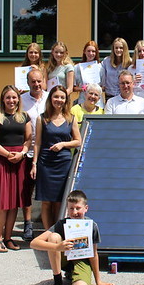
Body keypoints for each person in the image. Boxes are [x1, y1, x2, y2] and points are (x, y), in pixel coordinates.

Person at [30, 190, 116, 285]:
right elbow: (34, 243)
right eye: (71, 208)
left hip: (81, 260)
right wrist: (57, 247)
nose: (74, 212)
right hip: (64, 258)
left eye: (78, 208)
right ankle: (57, 284)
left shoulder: (92, 226)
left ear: (86, 208)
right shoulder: (62, 224)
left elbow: (94, 254)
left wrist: (98, 280)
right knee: (54, 237)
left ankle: (74, 275)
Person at [0, 85, 32, 253]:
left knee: (14, 204)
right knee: (1, 203)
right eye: (8, 98)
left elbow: (28, 139)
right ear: (3, 99)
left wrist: (23, 153)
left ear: (18, 99)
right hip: (1, 160)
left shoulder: (24, 117)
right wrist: (7, 154)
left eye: (14, 97)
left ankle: (8, 237)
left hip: (19, 161)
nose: (11, 101)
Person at [32, 85, 81, 232]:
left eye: (62, 97)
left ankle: (58, 233)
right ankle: (48, 233)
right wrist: (34, 163)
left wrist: (63, 144)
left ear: (66, 100)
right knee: (46, 202)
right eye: (56, 97)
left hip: (63, 164)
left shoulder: (70, 118)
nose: (59, 100)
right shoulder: (42, 118)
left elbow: (78, 140)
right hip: (46, 163)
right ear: (50, 99)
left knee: (60, 201)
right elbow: (38, 142)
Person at [20, 68, 46, 240]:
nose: (36, 84)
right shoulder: (21, 100)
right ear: (28, 83)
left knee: (47, 191)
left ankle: (48, 226)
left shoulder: (50, 97)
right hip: (27, 151)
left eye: (39, 81)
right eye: (33, 82)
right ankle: (27, 224)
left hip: (47, 150)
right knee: (26, 190)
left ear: (43, 80)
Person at [72, 40, 102, 105]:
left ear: (96, 53)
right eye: (88, 51)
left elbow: (104, 86)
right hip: (83, 101)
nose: (91, 53)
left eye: (93, 51)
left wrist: (95, 90)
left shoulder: (100, 67)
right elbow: (73, 88)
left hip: (97, 103)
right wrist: (83, 89)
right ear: (84, 52)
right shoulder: (77, 67)